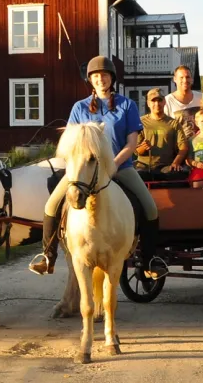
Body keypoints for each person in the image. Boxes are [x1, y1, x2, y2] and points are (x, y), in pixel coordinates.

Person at [30, 56, 167, 279]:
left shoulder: (127, 105)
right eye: (95, 76)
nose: (100, 79)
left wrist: (112, 165)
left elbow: (132, 144)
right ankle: (48, 256)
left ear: (111, 78)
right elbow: (71, 142)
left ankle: (149, 260)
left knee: (150, 207)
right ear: (90, 80)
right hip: (84, 169)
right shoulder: (79, 107)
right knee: (52, 204)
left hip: (119, 166)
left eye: (104, 75)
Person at [136, 87, 191, 178]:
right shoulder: (140, 122)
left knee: (178, 174)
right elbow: (136, 151)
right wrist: (143, 147)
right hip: (144, 166)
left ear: (164, 102)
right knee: (139, 176)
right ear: (148, 103)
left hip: (166, 166)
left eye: (160, 100)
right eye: (153, 101)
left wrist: (175, 163)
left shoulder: (174, 123)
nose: (157, 104)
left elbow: (183, 147)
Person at [164, 65, 201, 130]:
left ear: (192, 79)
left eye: (187, 77)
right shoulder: (167, 101)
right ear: (174, 79)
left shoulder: (201, 97)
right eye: (181, 77)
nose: (185, 80)